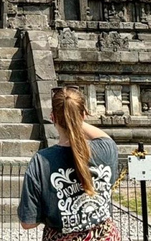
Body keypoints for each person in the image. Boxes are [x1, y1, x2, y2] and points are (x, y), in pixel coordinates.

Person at [18, 86, 121, 241]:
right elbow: (103, 137)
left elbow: (27, 223)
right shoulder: (106, 149)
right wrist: (74, 117)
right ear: (84, 114)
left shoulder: (41, 161)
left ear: (52, 118)